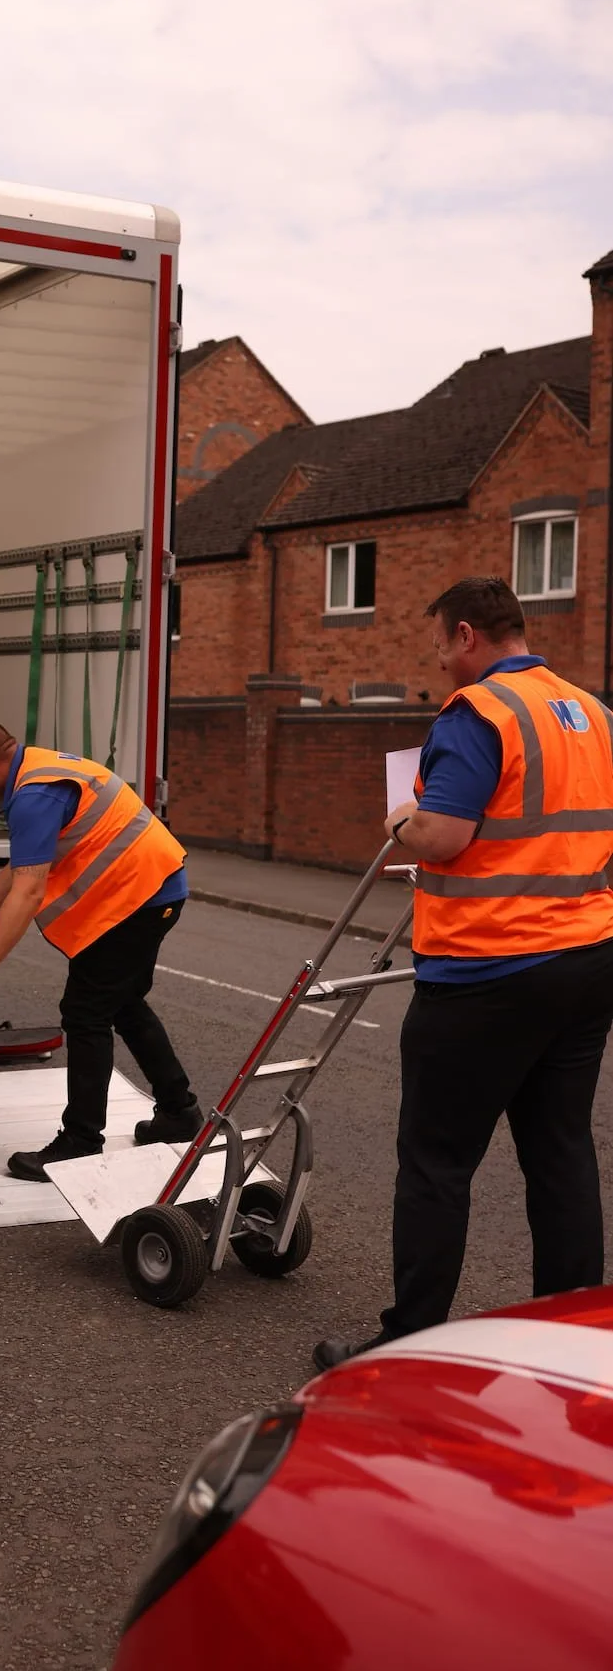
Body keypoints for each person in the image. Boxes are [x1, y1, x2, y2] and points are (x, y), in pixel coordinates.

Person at [314, 576, 613, 1371]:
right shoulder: (589, 713)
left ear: (467, 636)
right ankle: (572, 1336)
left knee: (436, 1163)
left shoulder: (478, 713)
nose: (439, 659)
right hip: (585, 960)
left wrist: (398, 821)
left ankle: (410, 1342)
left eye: (440, 643)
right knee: (558, 1150)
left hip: (487, 969)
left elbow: (442, 835)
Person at [0, 719, 203, 1179]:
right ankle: (179, 1112)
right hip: (153, 890)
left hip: (139, 898)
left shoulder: (35, 795)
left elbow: (28, 893)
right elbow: (22, 868)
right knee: (124, 1003)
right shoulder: (39, 771)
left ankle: (80, 1140)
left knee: (86, 1012)